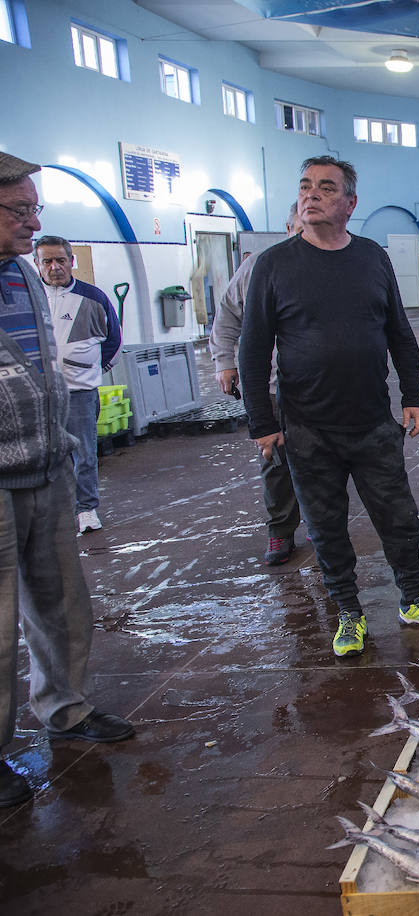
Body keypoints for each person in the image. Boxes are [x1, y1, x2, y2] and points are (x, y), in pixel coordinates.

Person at [240, 155, 419, 658]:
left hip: (372, 423)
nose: (311, 195)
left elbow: (401, 334)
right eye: (305, 186)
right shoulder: (273, 264)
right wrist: (262, 422)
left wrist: (413, 396)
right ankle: (349, 613)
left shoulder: (373, 259)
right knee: (326, 526)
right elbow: (252, 350)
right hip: (307, 429)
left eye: (326, 188)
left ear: (350, 203)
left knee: (399, 518)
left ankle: (413, 599)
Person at [0, 152, 134, 808]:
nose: (32, 223)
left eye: (35, 209)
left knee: (59, 601)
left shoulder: (23, 275)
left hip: (44, 463)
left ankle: (66, 707)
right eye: (19, 211)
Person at [210, 205, 303, 566]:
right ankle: (280, 531)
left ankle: (319, 522)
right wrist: (224, 362)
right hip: (272, 386)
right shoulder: (258, 266)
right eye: (298, 229)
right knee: (275, 460)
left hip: (317, 386)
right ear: (288, 225)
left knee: (322, 459)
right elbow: (228, 314)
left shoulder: (329, 265)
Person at [33, 235, 122, 535]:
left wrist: (91, 369)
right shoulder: (30, 298)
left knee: (83, 453)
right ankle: (47, 510)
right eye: (47, 261)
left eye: (61, 260)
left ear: (72, 261)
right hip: (37, 393)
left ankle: (86, 509)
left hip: (79, 391)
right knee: (41, 453)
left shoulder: (93, 299)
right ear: (37, 264)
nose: (55, 267)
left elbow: (114, 341)